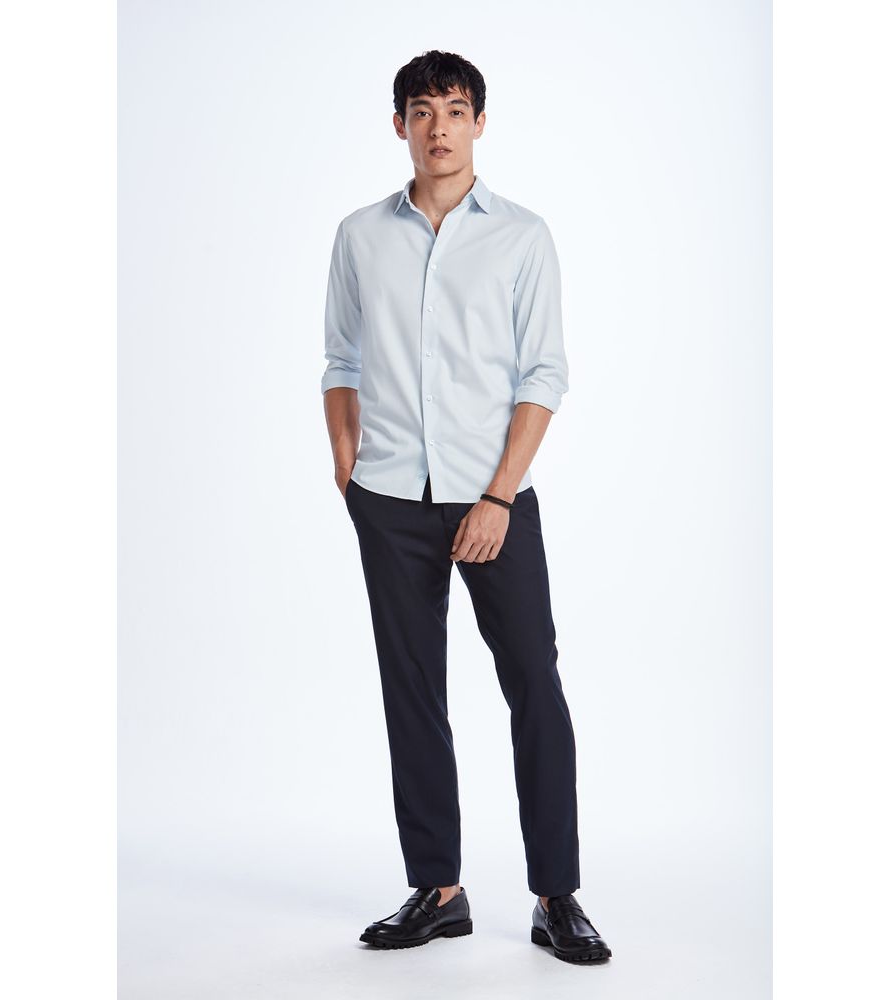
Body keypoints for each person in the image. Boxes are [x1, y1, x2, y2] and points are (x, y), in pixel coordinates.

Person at [320, 49, 611, 964]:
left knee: (534, 686)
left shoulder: (522, 237)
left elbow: (543, 375)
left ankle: (556, 894)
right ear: (399, 125)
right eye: (421, 110)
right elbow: (341, 360)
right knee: (412, 693)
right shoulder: (360, 236)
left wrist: (496, 495)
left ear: (480, 122)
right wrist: (348, 468)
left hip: (495, 501)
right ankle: (438, 890)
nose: (438, 127)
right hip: (391, 499)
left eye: (454, 109)